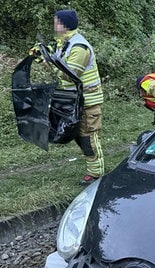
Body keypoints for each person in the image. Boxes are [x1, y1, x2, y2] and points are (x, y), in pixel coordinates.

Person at [30, 9, 105, 185]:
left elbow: (70, 73)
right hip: (74, 100)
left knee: (88, 138)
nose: (54, 25)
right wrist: (42, 53)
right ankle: (93, 170)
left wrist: (48, 62)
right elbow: (57, 57)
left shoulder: (80, 47)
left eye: (56, 22)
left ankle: (96, 175)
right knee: (78, 135)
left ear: (65, 25)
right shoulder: (65, 43)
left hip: (88, 101)